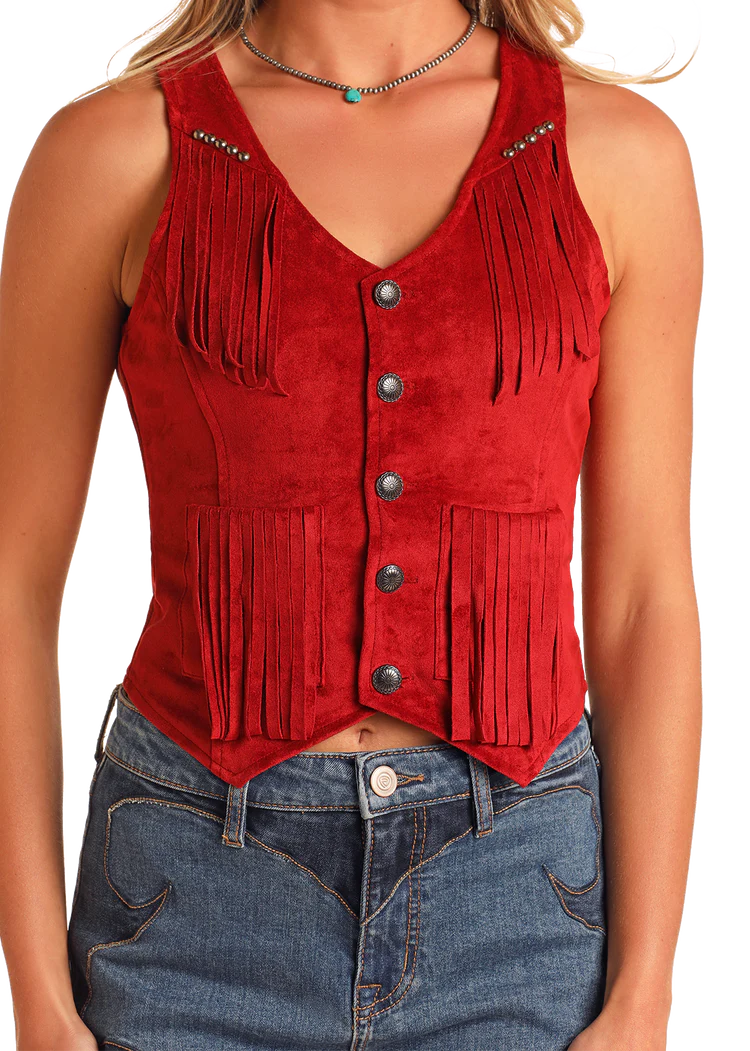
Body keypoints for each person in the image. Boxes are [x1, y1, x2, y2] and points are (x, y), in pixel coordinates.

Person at [0, 1, 704, 1049]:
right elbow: (11, 588)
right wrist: (41, 1004)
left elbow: (645, 597)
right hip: (188, 900)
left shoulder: (618, 158)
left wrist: (644, 992)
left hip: (518, 905)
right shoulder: (114, 154)